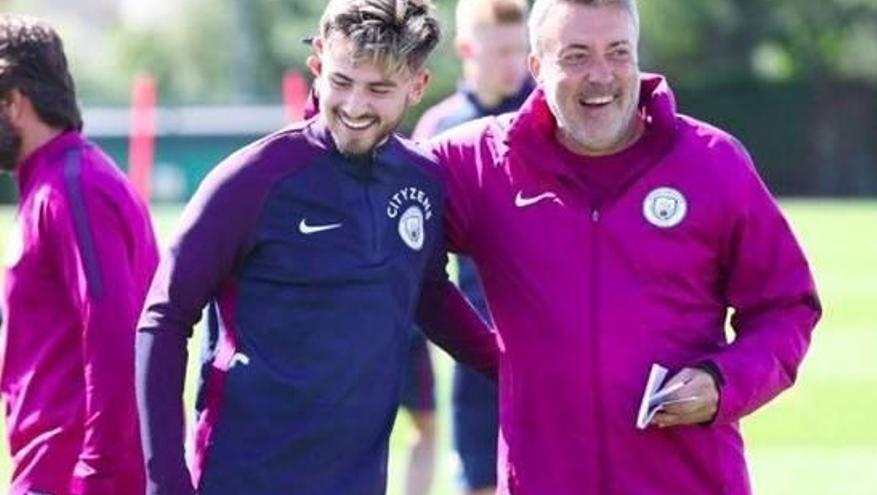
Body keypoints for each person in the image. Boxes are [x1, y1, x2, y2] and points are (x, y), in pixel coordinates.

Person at [427, 0, 822, 493]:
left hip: (691, 481)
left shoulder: (712, 162)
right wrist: (490, 354)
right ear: (537, 67)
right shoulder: (480, 165)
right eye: (576, 56)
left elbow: (786, 306)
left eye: (618, 52)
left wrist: (725, 382)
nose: (601, 75)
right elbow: (381, 210)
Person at [135, 1, 497, 494]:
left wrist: (513, 368)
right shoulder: (252, 180)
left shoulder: (423, 181)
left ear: (417, 85)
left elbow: (428, 291)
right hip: (242, 479)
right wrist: (165, 481)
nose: (354, 106)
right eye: (342, 81)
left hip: (359, 481)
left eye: (379, 90)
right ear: (319, 63)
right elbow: (164, 317)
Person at [0, 14, 158, 495]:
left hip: (71, 477)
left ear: (15, 104)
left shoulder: (72, 190)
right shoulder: (53, 184)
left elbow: (115, 337)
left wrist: (97, 478)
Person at [402, 0, 532, 493]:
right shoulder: (440, 129)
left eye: (520, 50)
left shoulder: (549, 115)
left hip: (547, 332)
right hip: (476, 338)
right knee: (478, 476)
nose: (513, 63)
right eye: (500, 51)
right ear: (465, 50)